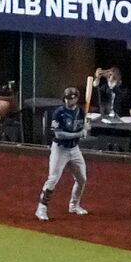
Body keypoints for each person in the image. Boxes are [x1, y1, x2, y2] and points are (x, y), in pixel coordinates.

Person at [36, 85, 88, 221]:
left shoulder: (81, 112)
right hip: (60, 149)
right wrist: (78, 133)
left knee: (82, 179)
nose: (67, 101)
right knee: (53, 179)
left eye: (71, 98)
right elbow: (58, 134)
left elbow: (83, 128)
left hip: (74, 149)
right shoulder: (58, 113)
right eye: (66, 98)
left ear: (76, 99)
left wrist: (86, 129)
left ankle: (74, 205)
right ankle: (41, 209)